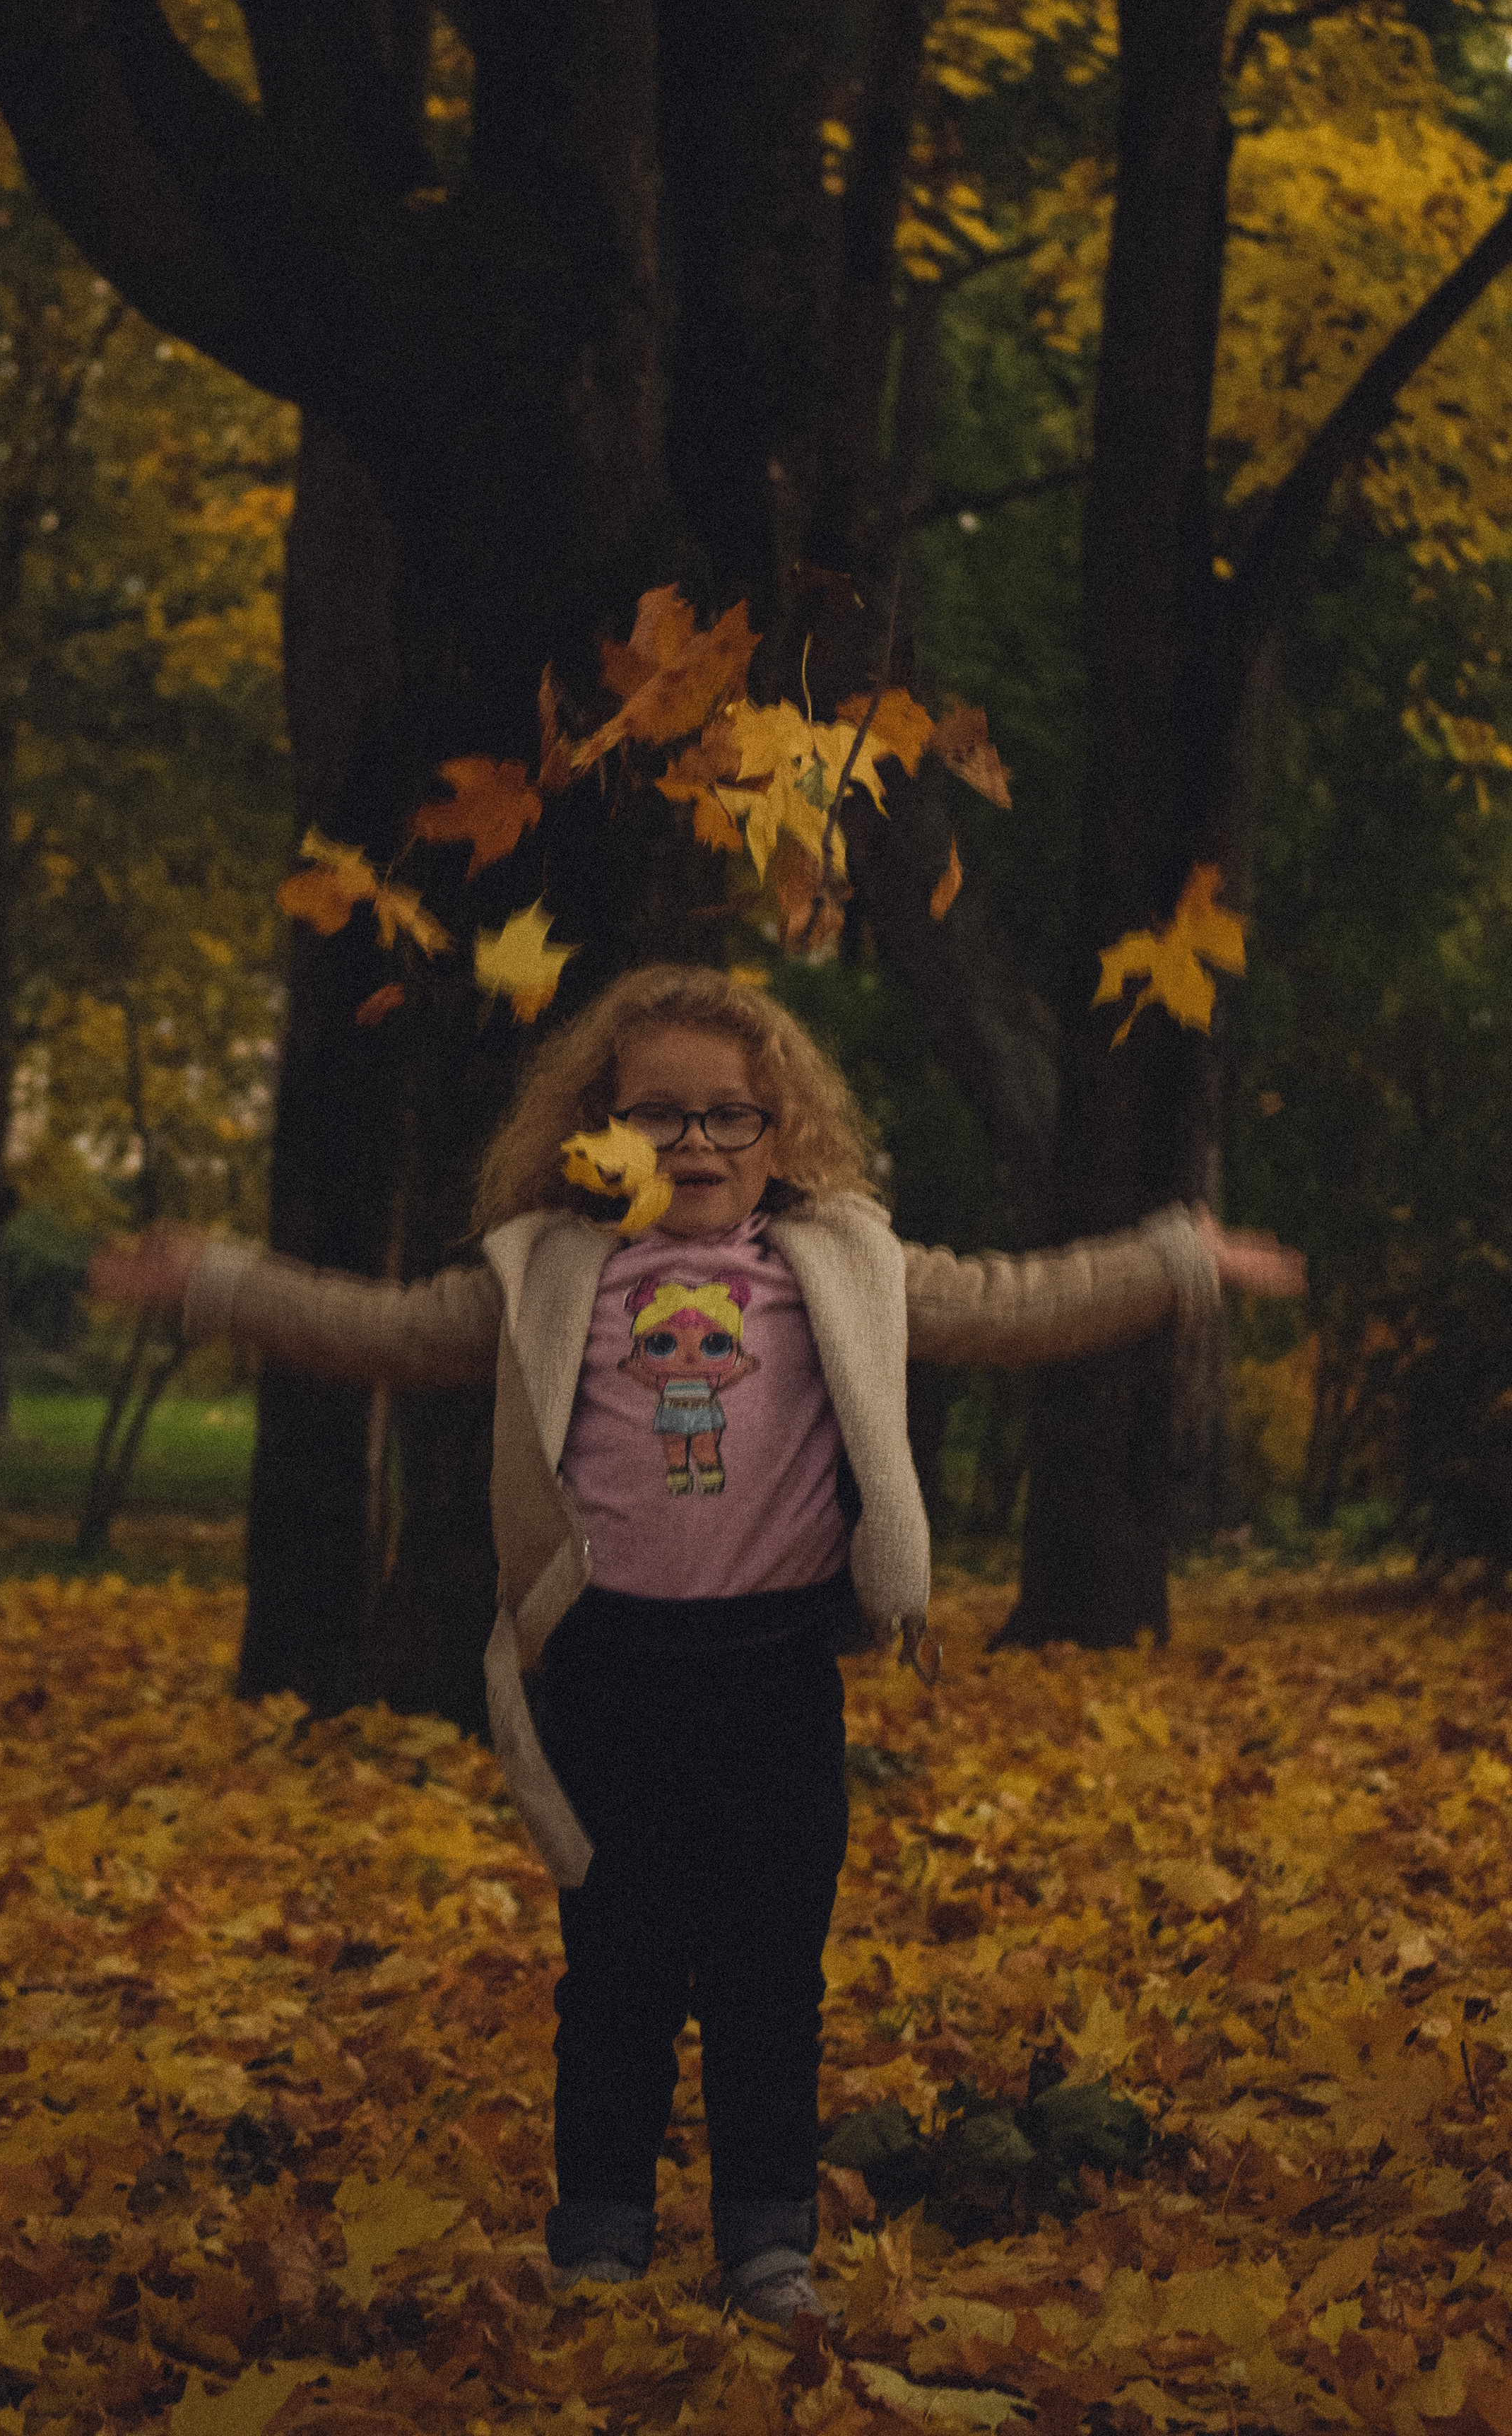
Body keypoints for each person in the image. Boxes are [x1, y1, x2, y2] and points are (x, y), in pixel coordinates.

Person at [92, 963, 1304, 2324]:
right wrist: (216, 1280)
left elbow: (1021, 1302)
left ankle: (767, 2240)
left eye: (733, 1116)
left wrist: (1177, 1260)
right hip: (606, 1677)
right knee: (615, 1967)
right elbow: (378, 1329)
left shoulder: (842, 1264)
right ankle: (599, 2234)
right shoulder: (548, 1271)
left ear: (782, 1133)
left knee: (769, 1970)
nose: (699, 1144)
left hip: (776, 1677)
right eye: (660, 1114)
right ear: (594, 1130)